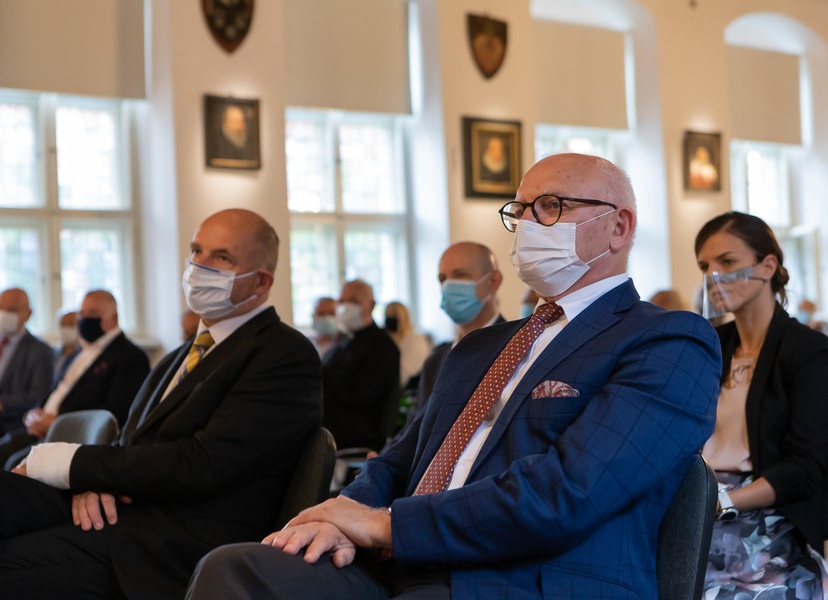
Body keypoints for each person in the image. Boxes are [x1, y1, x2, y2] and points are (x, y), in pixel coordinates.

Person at [185, 153, 722, 599]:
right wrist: (342, 514)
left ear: (619, 226)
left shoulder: (667, 340)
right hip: (399, 566)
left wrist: (384, 526)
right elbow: (401, 458)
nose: (529, 224)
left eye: (552, 207)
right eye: (521, 210)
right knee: (235, 571)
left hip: (527, 577)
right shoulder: (479, 347)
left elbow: (567, 494)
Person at [0, 209, 322, 599]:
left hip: (169, 544)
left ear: (261, 281)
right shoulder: (178, 356)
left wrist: (70, 464)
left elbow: (203, 464)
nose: (199, 265)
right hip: (120, 509)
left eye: (222, 257)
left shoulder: (283, 353)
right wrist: (93, 482)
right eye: (196, 251)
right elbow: (132, 445)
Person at [695, 211, 828, 599]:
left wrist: (722, 501)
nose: (714, 276)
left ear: (767, 266)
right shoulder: (710, 344)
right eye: (705, 266)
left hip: (765, 512)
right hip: (702, 498)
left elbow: (804, 469)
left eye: (727, 262)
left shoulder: (806, 349)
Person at [0, 290, 151, 469]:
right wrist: (34, 413)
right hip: (37, 431)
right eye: (81, 313)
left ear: (113, 318)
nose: (84, 319)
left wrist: (58, 421)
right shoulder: (79, 353)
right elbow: (55, 392)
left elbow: (115, 413)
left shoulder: (130, 357)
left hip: (71, 436)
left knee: (9, 465)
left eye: (93, 313)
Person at [413, 241, 504, 423]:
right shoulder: (435, 360)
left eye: (460, 275)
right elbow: (415, 429)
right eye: (442, 279)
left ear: (493, 281)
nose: (448, 286)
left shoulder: (518, 347)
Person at [0, 288, 54, 453]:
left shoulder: (41, 351)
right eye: (0, 308)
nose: (4, 314)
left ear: (28, 314)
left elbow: (37, 396)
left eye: (12, 310)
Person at [322, 280, 400, 450]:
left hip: (358, 439)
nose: (345, 306)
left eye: (353, 301)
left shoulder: (383, 347)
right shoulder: (344, 340)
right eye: (341, 301)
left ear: (371, 305)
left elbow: (360, 395)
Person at [383, 301, 430, 388]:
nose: (389, 318)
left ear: (403, 317)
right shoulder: (387, 340)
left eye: (394, 314)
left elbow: (405, 373)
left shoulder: (415, 340)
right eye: (387, 314)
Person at [53, 309, 81, 383]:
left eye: (70, 324)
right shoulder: (52, 354)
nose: (66, 328)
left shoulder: (84, 355)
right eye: (63, 324)